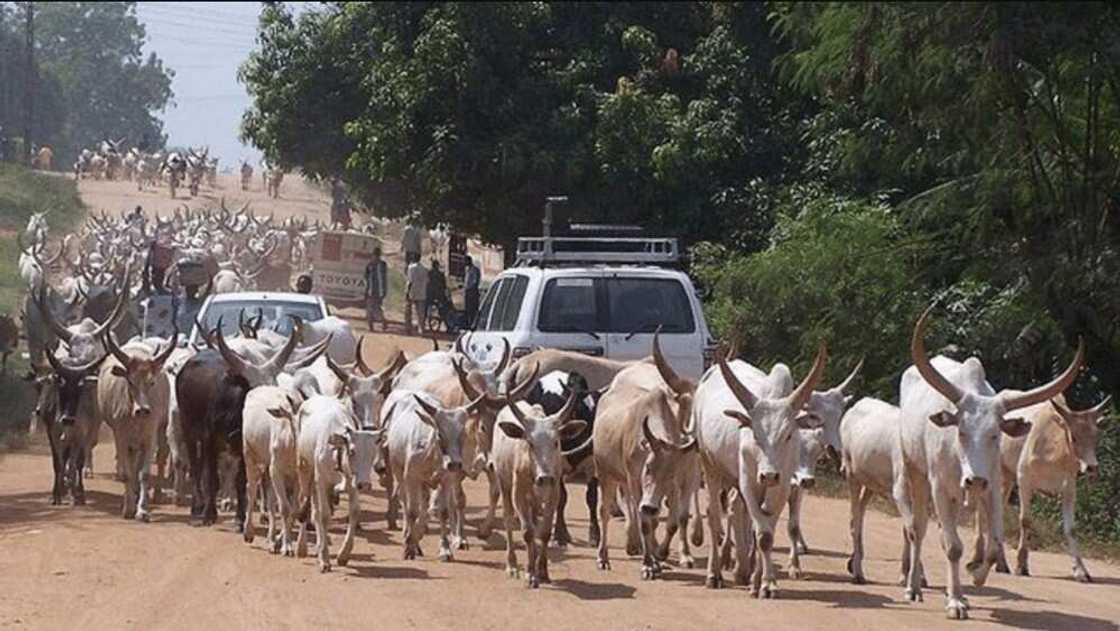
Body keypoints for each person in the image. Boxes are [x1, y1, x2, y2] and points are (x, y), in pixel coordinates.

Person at [364, 247, 388, 331]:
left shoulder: (370, 265)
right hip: (380, 291)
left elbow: (366, 277)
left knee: (370, 309)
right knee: (377, 308)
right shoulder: (383, 264)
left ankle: (372, 326)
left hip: (372, 291)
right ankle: (382, 322)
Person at [404, 257, 428, 335]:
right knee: (420, 312)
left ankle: (408, 328)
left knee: (408, 311)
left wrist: (407, 291)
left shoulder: (411, 268)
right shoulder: (424, 269)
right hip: (422, 292)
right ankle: (421, 329)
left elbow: (409, 281)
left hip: (413, 292)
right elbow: (427, 281)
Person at [426, 259, 449, 330]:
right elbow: (444, 286)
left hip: (430, 295)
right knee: (443, 310)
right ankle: (444, 323)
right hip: (440, 295)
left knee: (427, 308)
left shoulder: (429, 273)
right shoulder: (441, 274)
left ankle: (425, 322)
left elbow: (427, 283)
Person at [463, 255, 481, 327]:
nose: (464, 263)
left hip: (472, 292)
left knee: (473, 309)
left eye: (465, 261)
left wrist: (470, 288)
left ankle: (473, 324)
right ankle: (469, 323)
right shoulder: (468, 270)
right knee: (468, 309)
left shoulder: (474, 270)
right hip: (468, 291)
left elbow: (474, 282)